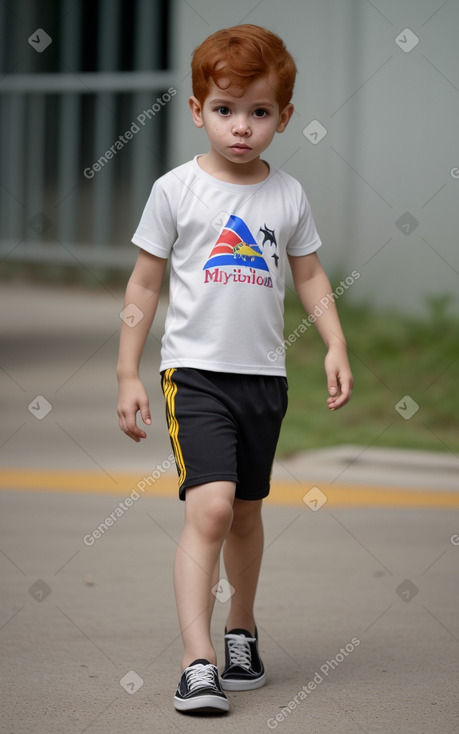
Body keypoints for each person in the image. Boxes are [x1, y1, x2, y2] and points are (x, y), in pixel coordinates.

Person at [117, 24, 353, 714]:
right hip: (193, 374)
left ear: (283, 117)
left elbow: (308, 276)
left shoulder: (287, 196)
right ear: (196, 110)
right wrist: (128, 373)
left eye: (258, 112)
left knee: (246, 513)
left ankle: (241, 630)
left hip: (263, 379)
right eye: (224, 110)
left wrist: (334, 342)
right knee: (211, 508)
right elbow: (141, 287)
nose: (240, 127)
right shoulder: (174, 191)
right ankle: (196, 661)